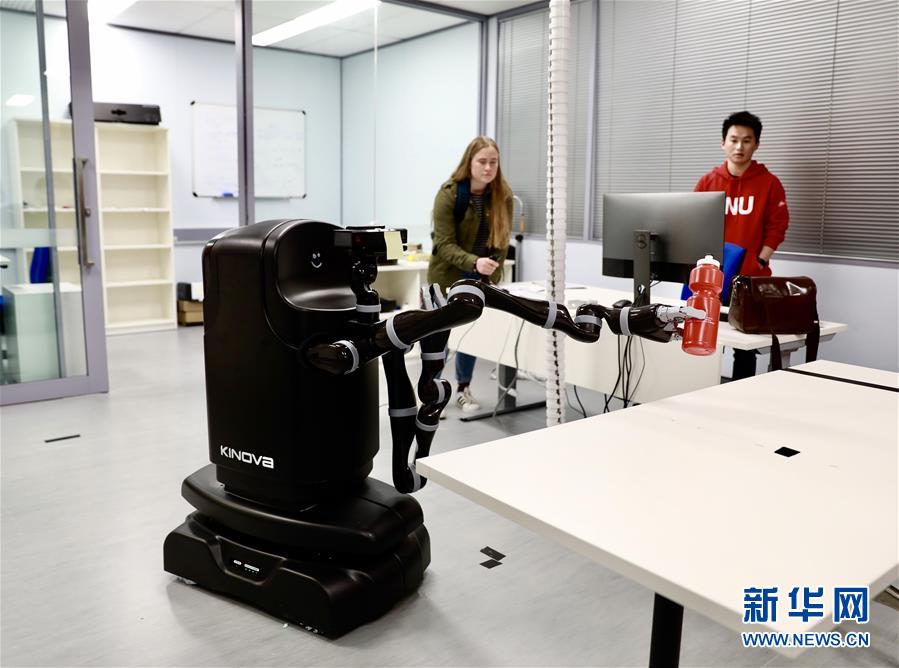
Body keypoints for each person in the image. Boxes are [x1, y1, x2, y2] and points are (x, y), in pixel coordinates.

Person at [695, 110, 790, 378]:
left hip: (750, 278)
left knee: (745, 347)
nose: (739, 147)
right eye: (734, 140)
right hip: (713, 277)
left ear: (756, 144)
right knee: (705, 338)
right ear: (723, 142)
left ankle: (739, 395)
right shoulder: (708, 182)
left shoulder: (769, 183)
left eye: (747, 140)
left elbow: (778, 225)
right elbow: (694, 222)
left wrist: (761, 259)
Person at [427, 136, 513, 413]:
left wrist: (491, 271)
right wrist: (475, 262)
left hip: (478, 279)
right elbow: (444, 243)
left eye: (493, 162)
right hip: (446, 277)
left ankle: (463, 389)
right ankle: (432, 393)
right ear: (470, 162)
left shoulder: (502, 195)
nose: (488, 168)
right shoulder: (449, 194)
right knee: (438, 338)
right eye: (482, 161)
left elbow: (502, 240)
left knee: (470, 336)